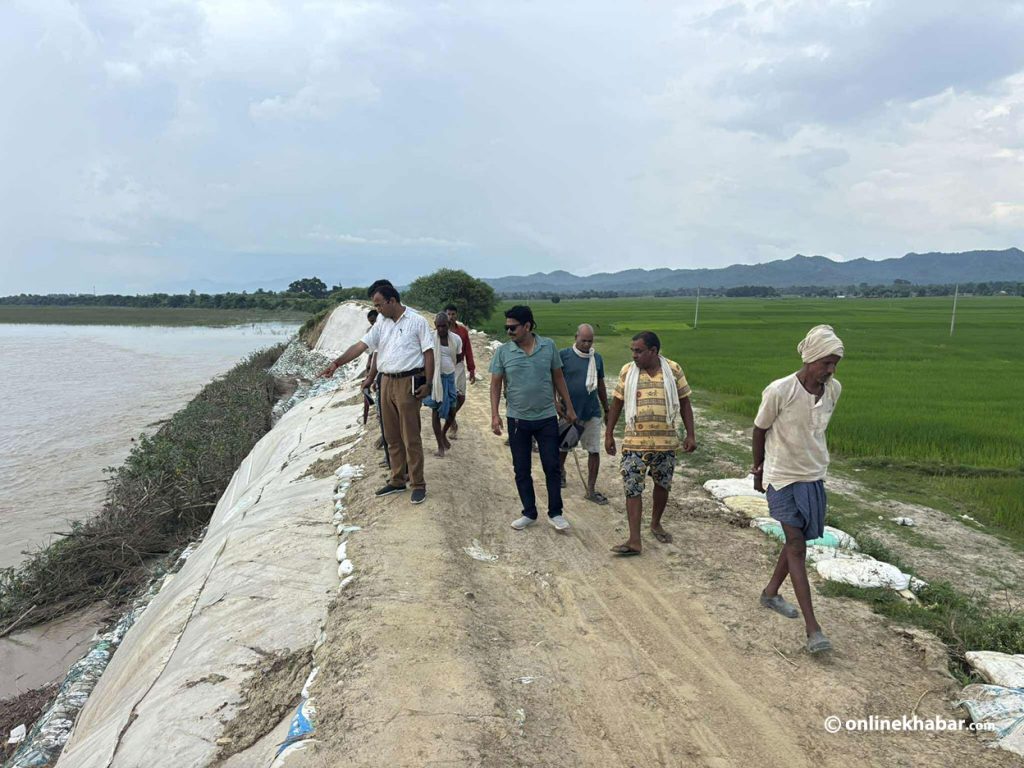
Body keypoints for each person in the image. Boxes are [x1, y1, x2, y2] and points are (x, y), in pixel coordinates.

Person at [753, 324, 844, 654]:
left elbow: (816, 433)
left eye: (835, 363)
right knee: (795, 543)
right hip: (782, 477)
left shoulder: (833, 390)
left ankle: (770, 592)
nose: (830, 370)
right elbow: (760, 429)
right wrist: (757, 469)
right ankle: (813, 629)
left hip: (813, 475)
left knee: (798, 540)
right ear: (810, 359)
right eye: (825, 363)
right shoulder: (780, 390)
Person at [320, 285, 434, 505]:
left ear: (392, 301)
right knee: (391, 436)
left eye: (379, 304)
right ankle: (397, 479)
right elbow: (361, 346)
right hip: (386, 382)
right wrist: (336, 363)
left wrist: (428, 384)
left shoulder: (416, 321)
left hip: (407, 382)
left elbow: (429, 353)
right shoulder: (382, 323)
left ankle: (418, 484)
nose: (377, 309)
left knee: (410, 436)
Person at [605, 331, 696, 555]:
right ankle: (634, 539)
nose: (634, 355)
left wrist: (690, 435)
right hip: (634, 443)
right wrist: (608, 434)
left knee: (662, 485)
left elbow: (684, 403)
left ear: (653, 351)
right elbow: (616, 404)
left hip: (666, 443)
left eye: (639, 351)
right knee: (632, 488)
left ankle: (655, 523)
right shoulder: (628, 371)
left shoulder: (673, 370)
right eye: (632, 351)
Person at [490, 305, 577, 531]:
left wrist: (569, 407)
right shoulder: (503, 352)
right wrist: (494, 415)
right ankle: (529, 512)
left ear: (527, 326)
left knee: (552, 466)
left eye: (512, 328)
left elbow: (558, 377)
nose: (508, 332)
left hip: (547, 417)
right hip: (517, 420)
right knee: (521, 468)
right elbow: (495, 384)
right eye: (506, 328)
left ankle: (555, 513)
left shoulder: (548, 347)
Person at [557, 324, 610, 504]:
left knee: (594, 450)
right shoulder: (563, 356)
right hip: (568, 412)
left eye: (590, 341)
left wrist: (607, 408)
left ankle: (591, 489)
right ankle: (560, 473)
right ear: (576, 337)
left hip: (592, 411)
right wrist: (556, 402)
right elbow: (552, 379)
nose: (587, 344)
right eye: (583, 340)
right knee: (563, 447)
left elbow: (601, 385)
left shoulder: (597, 359)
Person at [422, 312, 463, 457]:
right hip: (435, 379)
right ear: (435, 326)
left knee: (452, 411)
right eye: (438, 326)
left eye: (443, 326)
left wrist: (450, 372)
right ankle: (440, 445)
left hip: (450, 378)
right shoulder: (431, 339)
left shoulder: (456, 339)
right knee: (436, 412)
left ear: (448, 325)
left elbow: (458, 358)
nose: (441, 330)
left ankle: (444, 433)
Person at [444, 304, 476, 439]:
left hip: (459, 366)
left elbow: (468, 350)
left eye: (453, 314)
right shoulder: (440, 331)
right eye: (448, 314)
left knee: (461, 397)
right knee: (447, 398)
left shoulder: (462, 331)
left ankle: (451, 417)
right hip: (445, 367)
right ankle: (451, 424)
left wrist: (472, 369)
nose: (451, 317)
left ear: (456, 315)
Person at [362, 309, 379, 425]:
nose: (372, 324)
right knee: (368, 391)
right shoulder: (371, 331)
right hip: (372, 365)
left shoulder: (383, 329)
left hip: (379, 367)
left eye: (374, 321)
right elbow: (370, 351)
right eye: (371, 322)